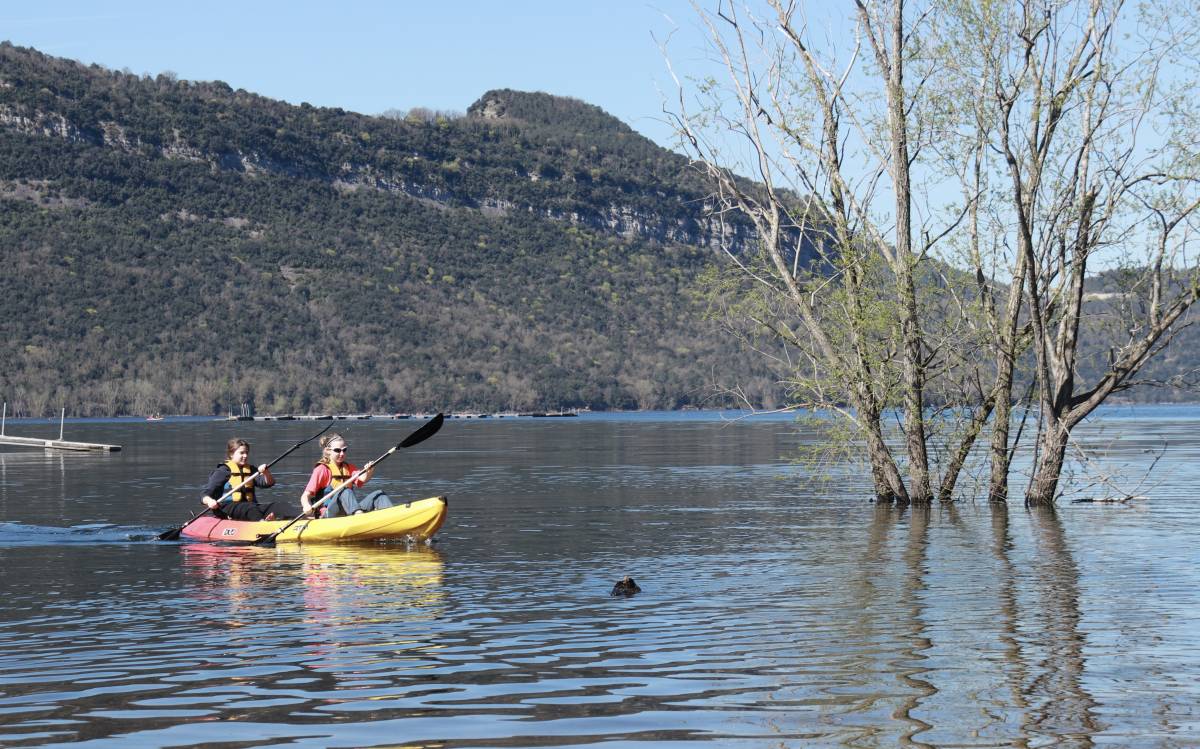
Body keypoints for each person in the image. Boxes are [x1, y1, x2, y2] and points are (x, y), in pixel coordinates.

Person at [300, 433, 395, 518]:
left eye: (344, 450)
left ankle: (392, 518)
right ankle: (359, 517)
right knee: (345, 490)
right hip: (328, 515)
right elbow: (305, 496)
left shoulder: (349, 467)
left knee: (379, 494)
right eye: (337, 450)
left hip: (348, 512)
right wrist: (306, 506)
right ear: (328, 451)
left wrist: (369, 470)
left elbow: (362, 479)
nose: (342, 453)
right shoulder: (321, 469)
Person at [201, 438, 287, 521]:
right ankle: (263, 523)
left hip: (251, 506)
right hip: (227, 508)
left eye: (246, 452)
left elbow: (269, 483)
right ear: (231, 454)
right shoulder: (222, 471)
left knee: (280, 506)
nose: (245, 456)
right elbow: (204, 495)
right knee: (249, 508)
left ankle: (296, 521)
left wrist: (266, 473)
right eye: (241, 453)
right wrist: (210, 501)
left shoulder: (251, 470)